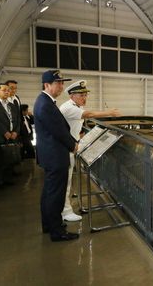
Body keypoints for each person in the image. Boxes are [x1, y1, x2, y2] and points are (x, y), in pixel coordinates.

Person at [59, 80, 121, 222]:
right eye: (81, 95)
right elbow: (89, 114)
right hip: (66, 149)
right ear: (72, 95)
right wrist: (109, 112)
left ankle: (64, 209)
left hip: (70, 146)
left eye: (85, 95)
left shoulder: (73, 106)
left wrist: (79, 134)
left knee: (67, 181)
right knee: (65, 182)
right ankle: (65, 212)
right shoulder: (69, 107)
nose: (84, 98)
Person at [34, 70, 79, 242]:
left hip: (50, 155)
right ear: (47, 85)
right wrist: (73, 145)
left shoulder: (45, 101)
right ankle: (57, 231)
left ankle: (49, 224)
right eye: (58, 83)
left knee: (49, 192)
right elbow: (58, 131)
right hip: (55, 156)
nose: (61, 86)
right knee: (56, 194)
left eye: (62, 83)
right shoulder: (45, 104)